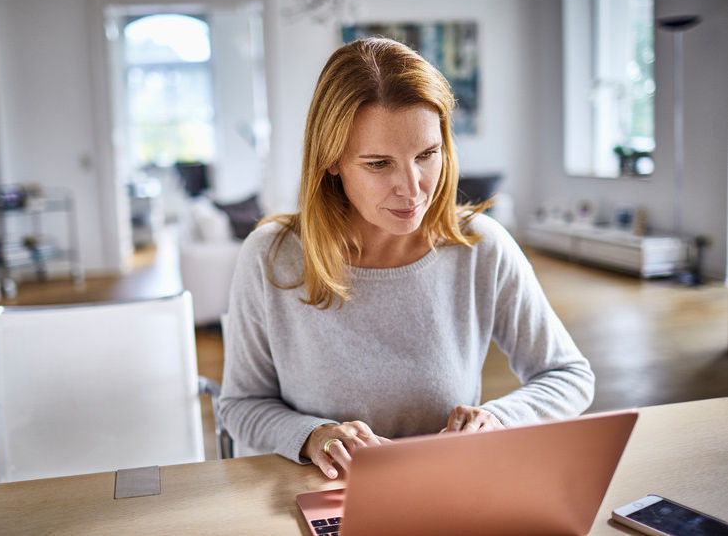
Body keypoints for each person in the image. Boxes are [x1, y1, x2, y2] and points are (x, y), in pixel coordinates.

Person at [218, 38, 595, 479]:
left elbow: (569, 374)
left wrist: (500, 420)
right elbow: (241, 407)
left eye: (426, 155)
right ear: (332, 161)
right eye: (379, 164)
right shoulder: (271, 257)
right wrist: (313, 435)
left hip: (448, 494)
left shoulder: (481, 247)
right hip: (326, 497)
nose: (413, 188)